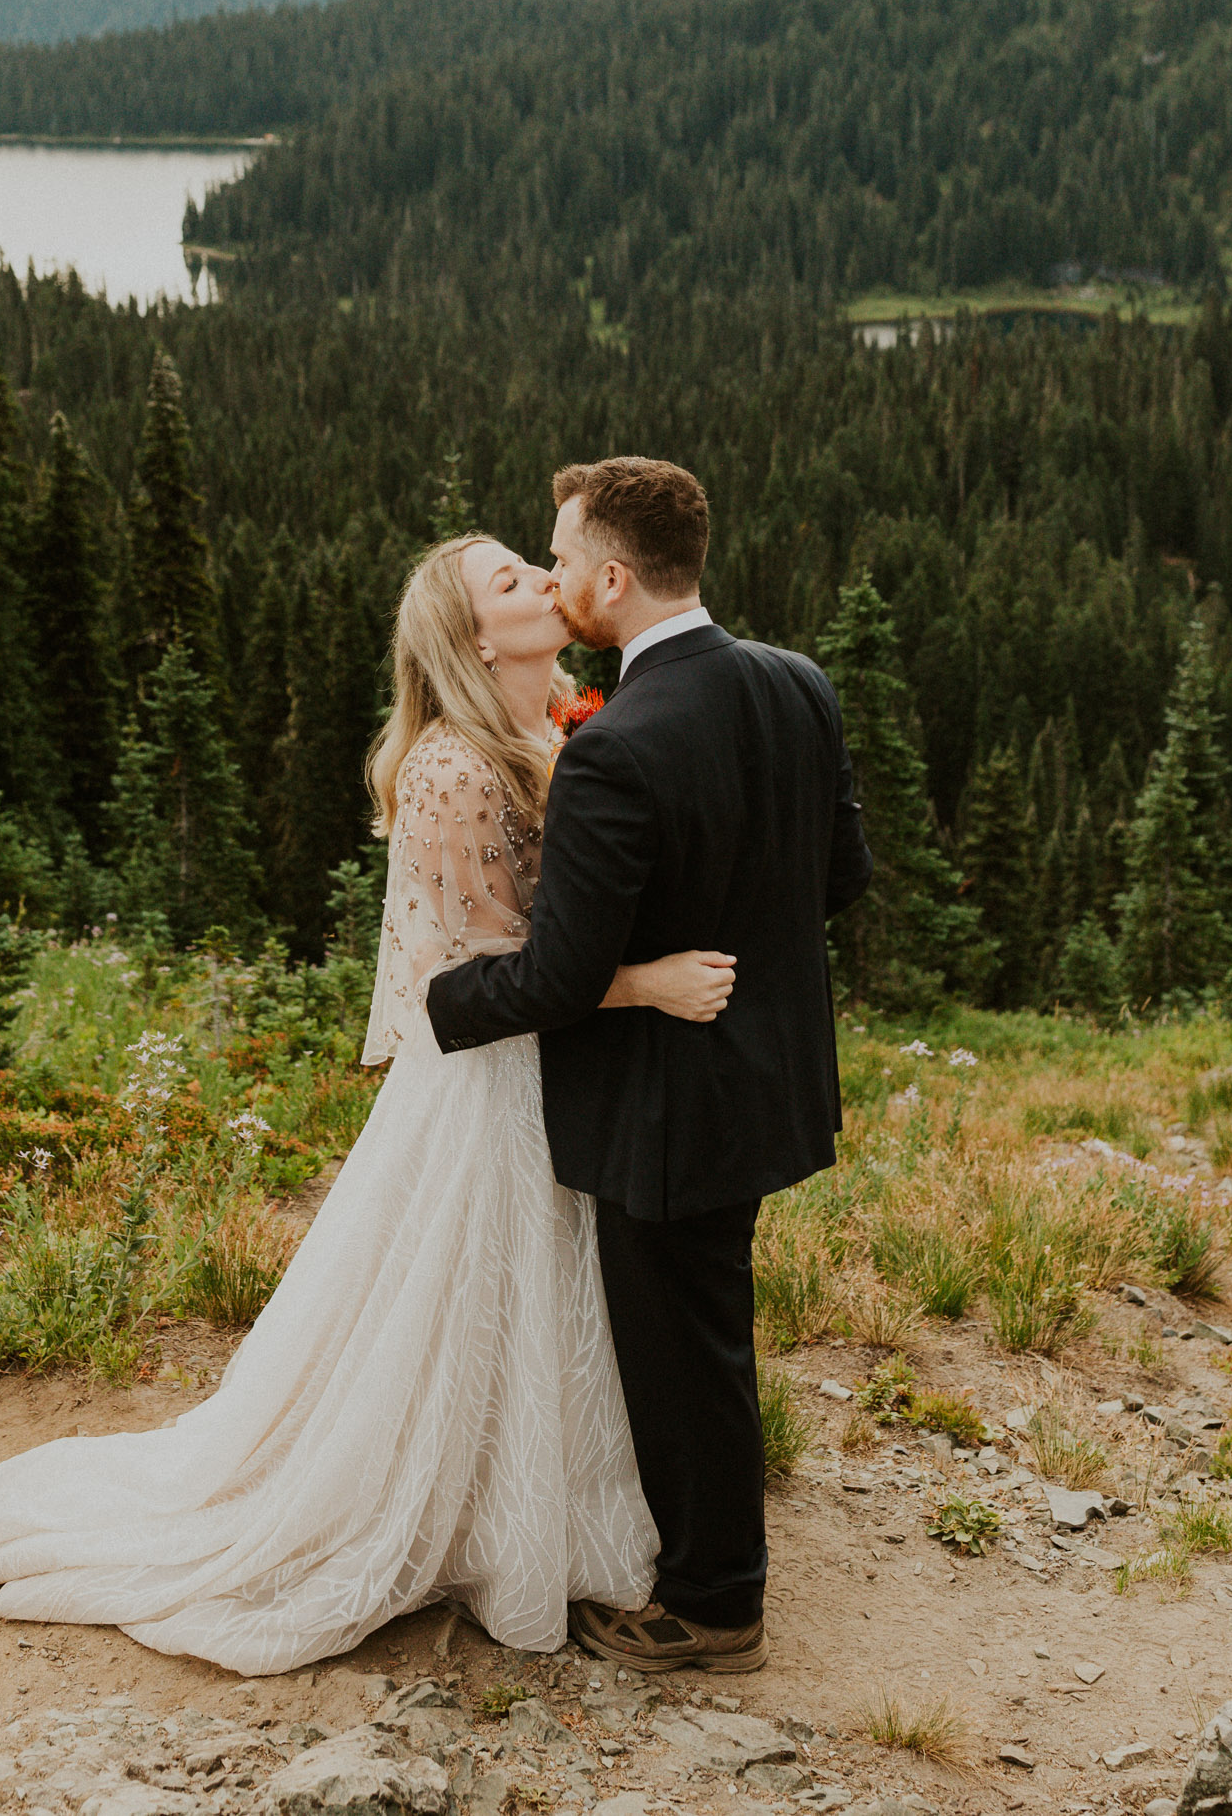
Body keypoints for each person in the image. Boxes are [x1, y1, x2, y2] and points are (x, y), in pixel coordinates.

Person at [0, 528, 736, 1674]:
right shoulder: (453, 767)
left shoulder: (553, 731)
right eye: (511, 580)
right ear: (469, 636)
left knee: (547, 1301)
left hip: (566, 1070)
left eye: (532, 564)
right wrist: (641, 983)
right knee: (466, 1298)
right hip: (491, 1083)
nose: (544, 582)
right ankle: (436, 1509)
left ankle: (539, 1492)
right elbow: (477, 980)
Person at [428, 456, 872, 1675]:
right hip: (763, 1083)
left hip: (664, 1107)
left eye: (562, 558)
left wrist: (442, 999)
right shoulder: (797, 683)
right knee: (710, 1330)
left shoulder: (618, 748)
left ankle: (713, 1603)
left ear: (613, 578)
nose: (555, 575)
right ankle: (710, 1564)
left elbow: (557, 980)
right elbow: (839, 878)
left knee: (685, 1352)